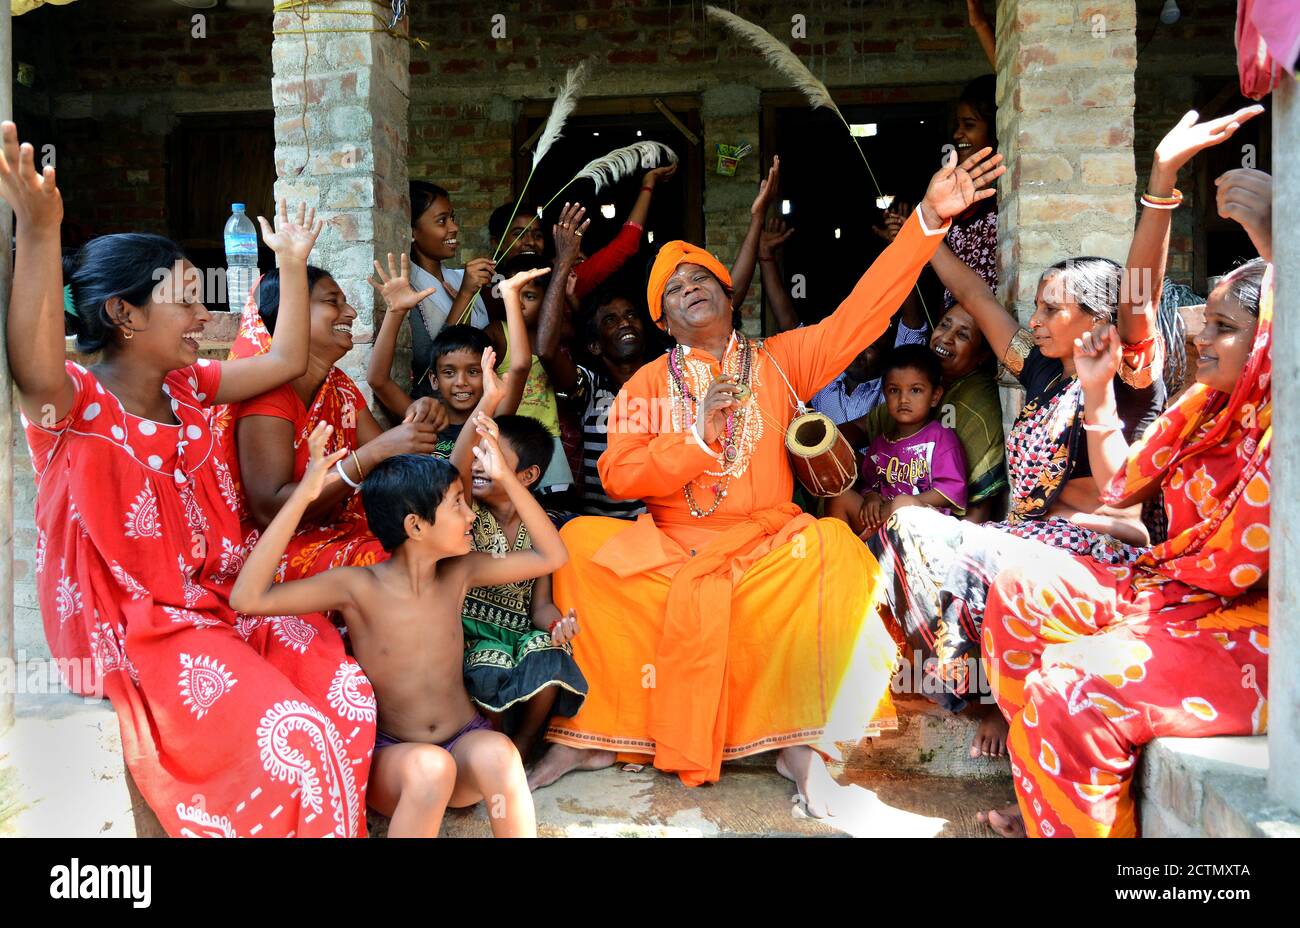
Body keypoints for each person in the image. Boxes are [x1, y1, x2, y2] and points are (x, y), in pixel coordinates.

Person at [526, 146, 1005, 816]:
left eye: (701, 278)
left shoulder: (781, 361)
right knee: (579, 545)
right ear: (662, 318)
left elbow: (862, 315)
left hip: (762, 551)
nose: (688, 286)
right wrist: (696, 438)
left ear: (729, 294)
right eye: (672, 287)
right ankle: (600, 733)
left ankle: (804, 745)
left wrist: (927, 219)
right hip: (673, 548)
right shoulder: (643, 384)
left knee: (839, 553)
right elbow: (618, 474)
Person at [4, 118, 372, 836]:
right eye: (185, 299)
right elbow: (31, 363)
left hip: (219, 601)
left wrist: (291, 268)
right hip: (134, 626)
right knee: (297, 736)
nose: (206, 313)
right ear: (124, 314)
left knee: (347, 694)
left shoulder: (190, 386)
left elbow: (283, 361)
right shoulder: (73, 404)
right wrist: (39, 230)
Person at [865, 107, 1262, 758]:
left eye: (1054, 308)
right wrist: (924, 223)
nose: (1039, 319)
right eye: (1039, 307)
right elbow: (972, 291)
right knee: (910, 528)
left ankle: (998, 702)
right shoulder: (1042, 364)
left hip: (1103, 557)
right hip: (1033, 545)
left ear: (1096, 319)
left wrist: (1161, 180)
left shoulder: (1128, 369)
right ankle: (983, 695)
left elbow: (1140, 292)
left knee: (985, 554)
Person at [979, 247, 1272, 838]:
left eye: (1224, 328)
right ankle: (1042, 794)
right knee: (1018, 592)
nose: (1200, 340)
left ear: (1275, 338)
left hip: (1258, 630)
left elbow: (1137, 300)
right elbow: (1120, 485)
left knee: (1068, 688)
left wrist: (1162, 184)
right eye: (1204, 324)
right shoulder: (1206, 405)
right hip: (1176, 590)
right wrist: (1096, 392)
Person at [231, 415, 566, 838]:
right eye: (457, 504)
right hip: (396, 761)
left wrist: (508, 478)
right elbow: (248, 599)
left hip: (463, 742)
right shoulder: (357, 587)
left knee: (499, 754)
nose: (470, 517)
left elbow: (551, 556)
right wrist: (303, 497)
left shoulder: (460, 573)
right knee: (430, 769)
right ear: (415, 526)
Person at [219, 266, 446, 589]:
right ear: (291, 314)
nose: (350, 312)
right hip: (271, 550)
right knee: (393, 563)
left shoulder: (337, 386)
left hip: (333, 530)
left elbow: (391, 464)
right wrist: (375, 452)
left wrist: (418, 417)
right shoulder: (266, 396)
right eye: (333, 301)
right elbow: (270, 510)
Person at [447, 400, 588, 759]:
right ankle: (492, 745)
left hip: (518, 632)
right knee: (490, 661)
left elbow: (539, 605)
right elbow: (455, 465)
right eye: (477, 455)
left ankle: (525, 744)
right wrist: (489, 399)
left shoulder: (539, 527)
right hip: (470, 635)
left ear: (526, 476)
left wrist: (557, 625)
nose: (478, 464)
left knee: (547, 649)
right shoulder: (466, 510)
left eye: (490, 456)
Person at [841, 303, 1007, 522]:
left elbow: (977, 499)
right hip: (882, 516)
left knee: (901, 504)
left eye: (963, 335)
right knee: (840, 496)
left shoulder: (974, 401)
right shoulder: (885, 436)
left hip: (926, 528)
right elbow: (862, 432)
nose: (946, 338)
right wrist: (833, 450)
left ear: (982, 355)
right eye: (944, 325)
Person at [368, 252, 533, 454]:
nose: (461, 381)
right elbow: (378, 380)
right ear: (434, 379)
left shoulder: (492, 417)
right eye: (448, 372)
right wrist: (395, 312)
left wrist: (510, 297)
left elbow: (521, 367)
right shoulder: (424, 419)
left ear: (489, 375)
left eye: (473, 372)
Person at [828, 344, 968, 536]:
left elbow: (951, 493)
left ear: (935, 396)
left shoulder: (940, 438)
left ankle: (869, 548)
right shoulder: (879, 443)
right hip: (881, 522)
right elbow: (869, 483)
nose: (903, 399)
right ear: (885, 395)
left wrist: (898, 505)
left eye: (915, 390)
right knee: (840, 498)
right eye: (894, 390)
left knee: (904, 503)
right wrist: (871, 498)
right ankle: (841, 556)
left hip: (922, 531)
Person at [402, 180, 493, 401]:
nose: (454, 227)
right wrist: (464, 296)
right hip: (439, 412)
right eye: (442, 221)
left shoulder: (461, 278)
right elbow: (427, 361)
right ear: (412, 230)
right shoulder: (408, 290)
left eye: (452, 218)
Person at [571, 288, 654, 518]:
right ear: (595, 346)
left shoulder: (666, 380)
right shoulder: (591, 388)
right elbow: (547, 352)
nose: (625, 323)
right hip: (603, 529)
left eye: (631, 315)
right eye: (611, 320)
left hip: (659, 529)